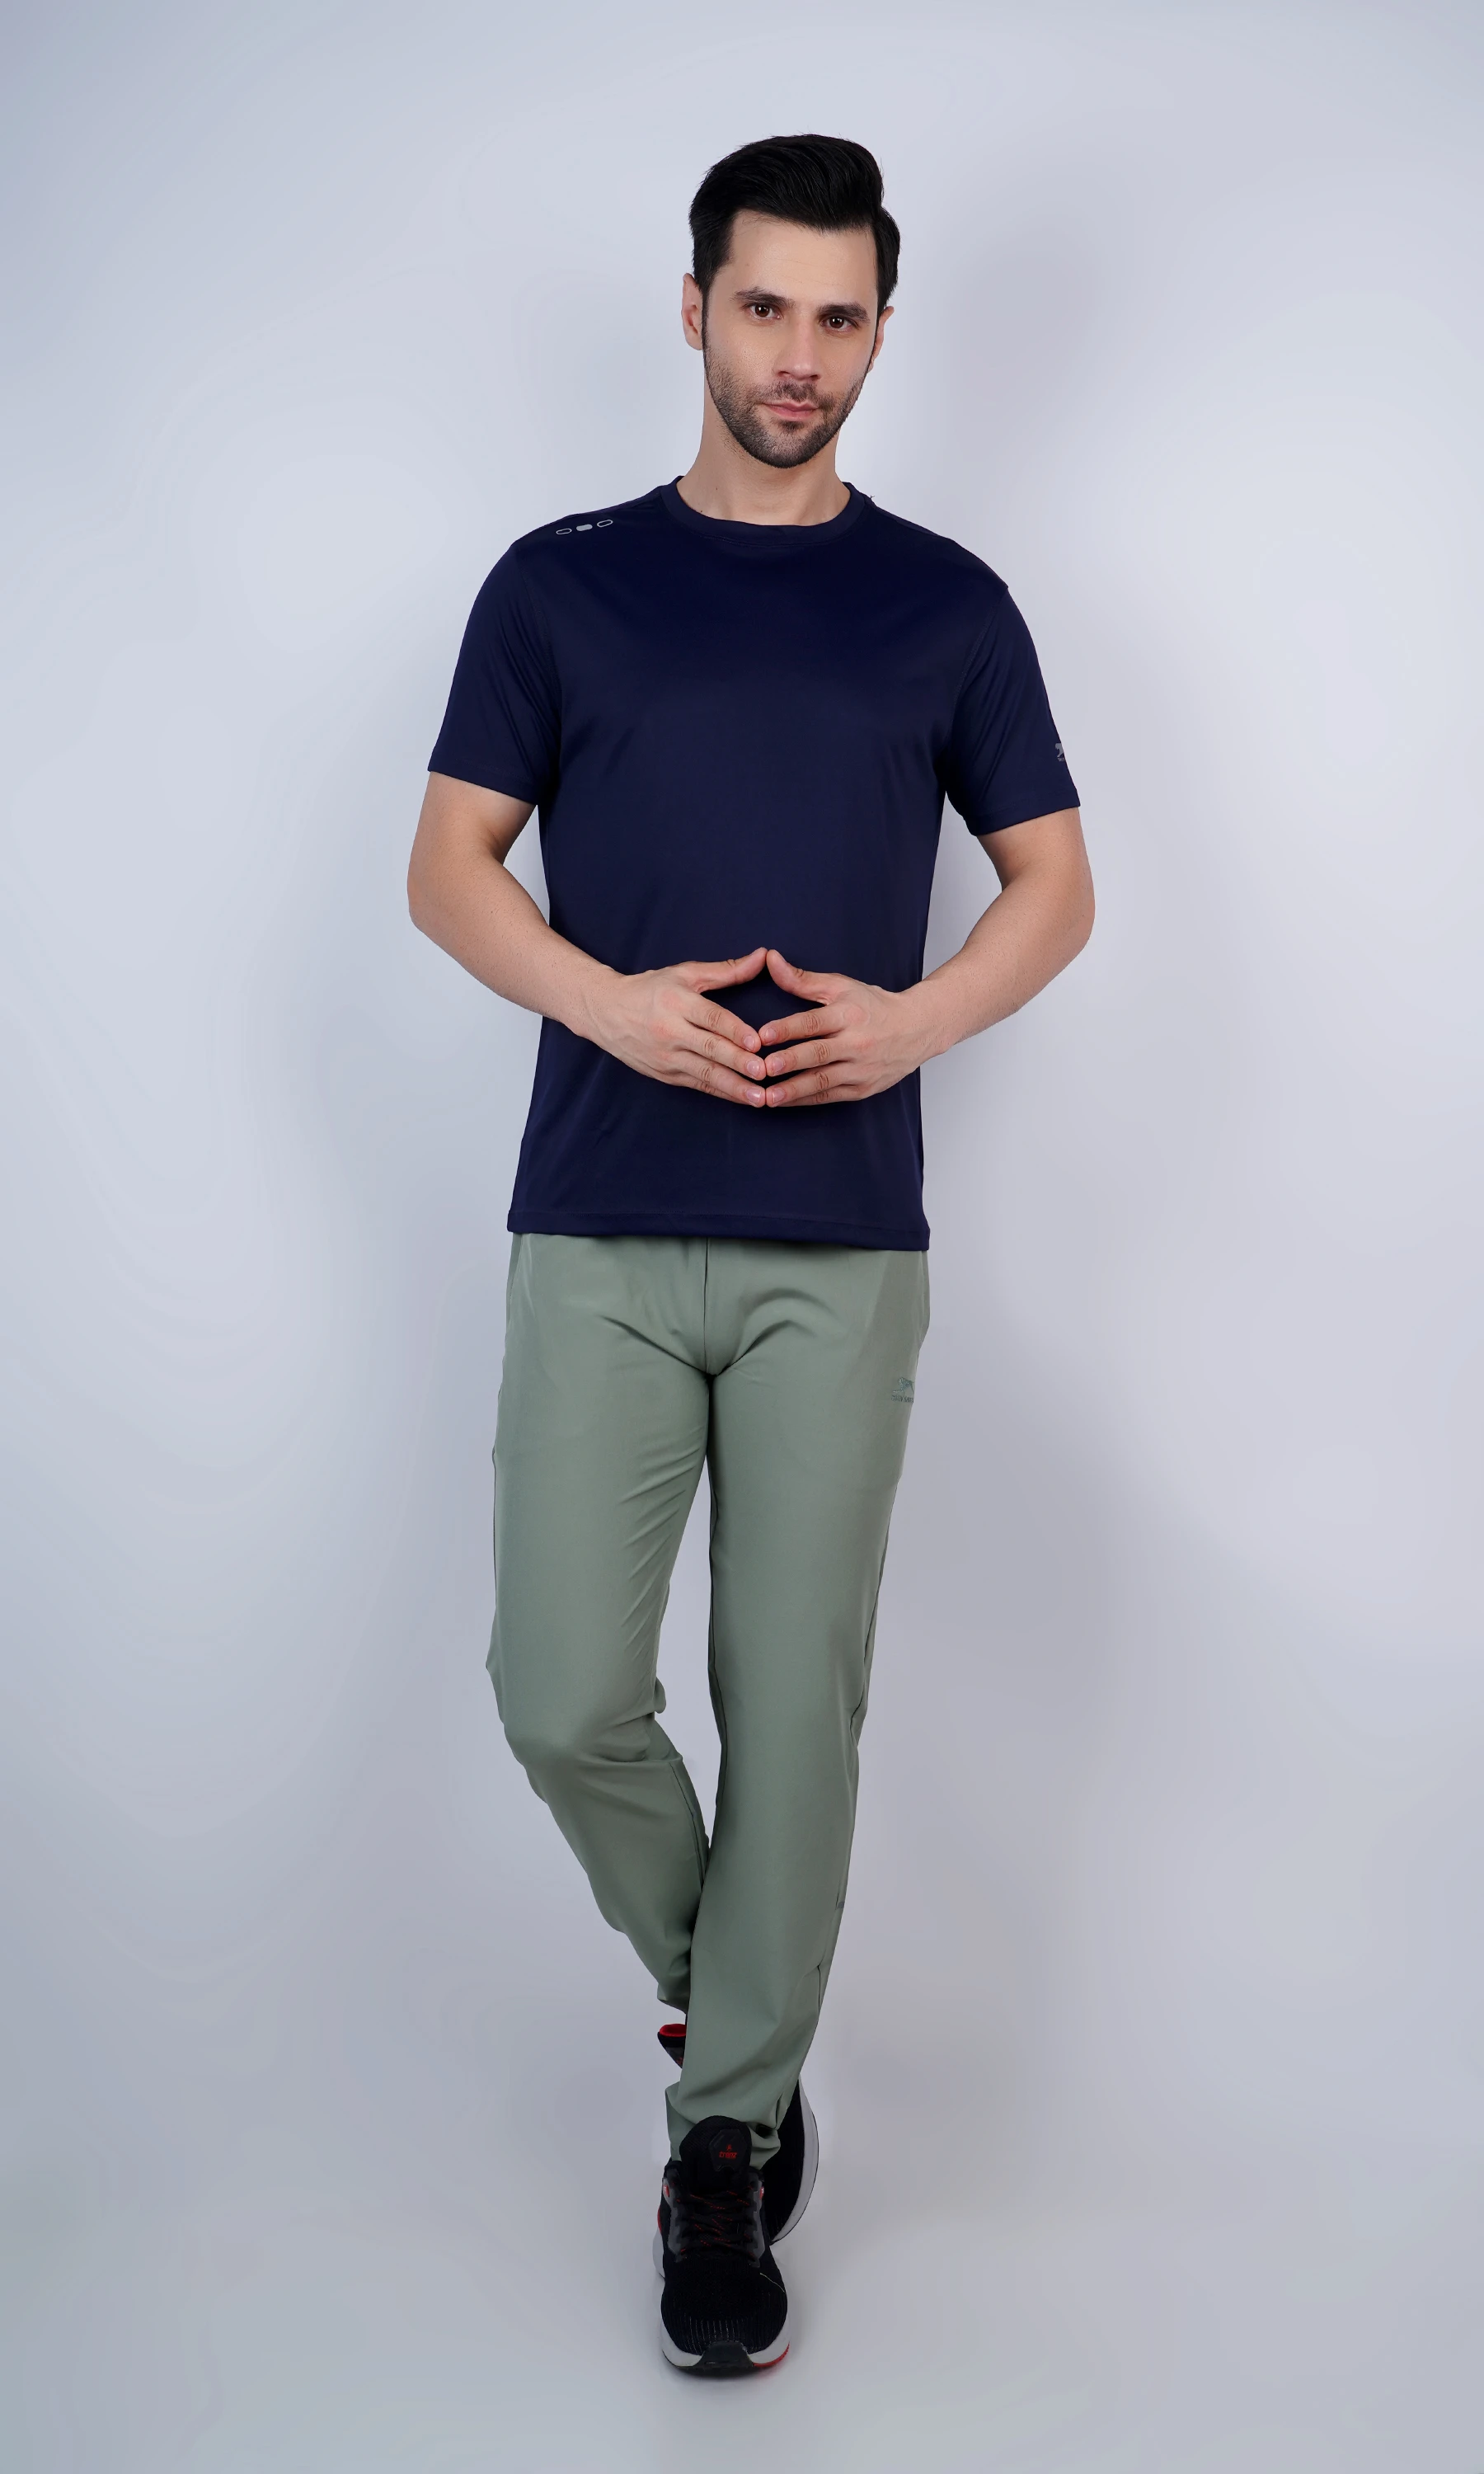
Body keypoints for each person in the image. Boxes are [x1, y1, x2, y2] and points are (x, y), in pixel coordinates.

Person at [407, 131, 1092, 2376]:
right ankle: (747, 2010)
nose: (800, 355)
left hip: (838, 1248)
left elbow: (1056, 888)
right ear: (695, 307)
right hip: (602, 1220)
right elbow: (449, 868)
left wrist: (918, 1022)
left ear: (882, 333)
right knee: (561, 1691)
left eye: (840, 317)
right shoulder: (562, 586)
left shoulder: (946, 606)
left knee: (793, 1704)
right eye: (766, 307)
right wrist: (605, 1001)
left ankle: (725, 2143)